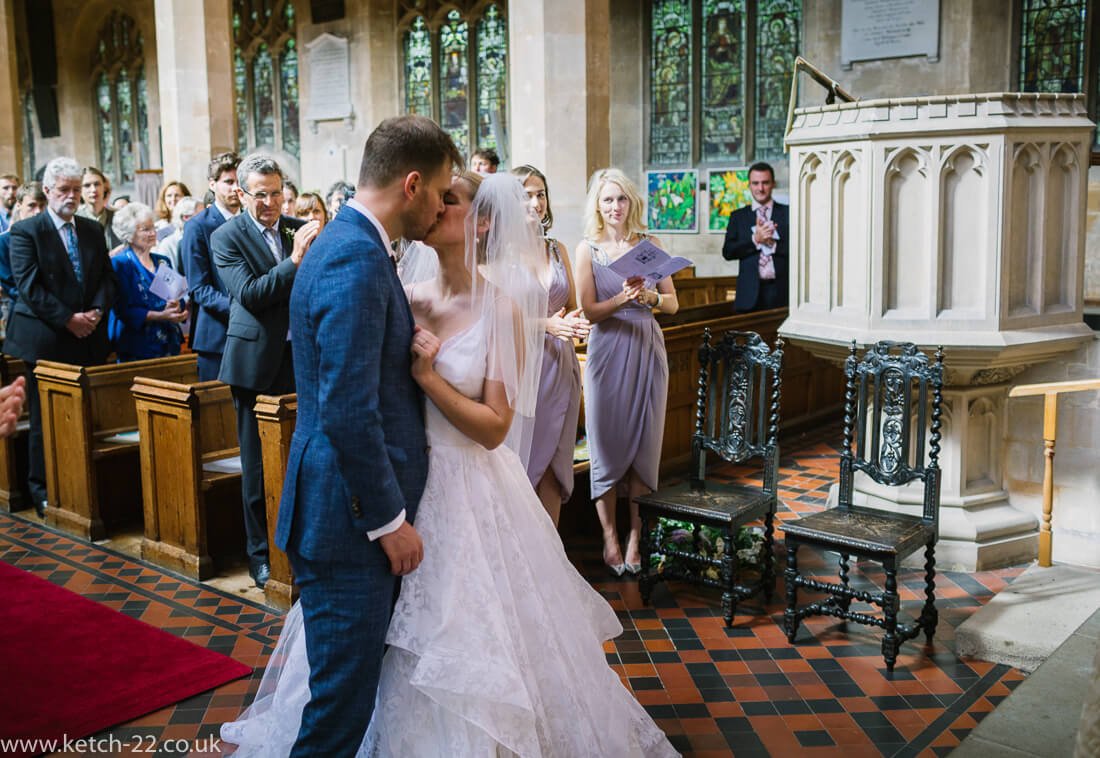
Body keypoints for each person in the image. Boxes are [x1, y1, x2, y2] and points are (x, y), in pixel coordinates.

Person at [222, 169, 679, 758]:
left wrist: (429, 379)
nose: (435, 208)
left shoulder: (505, 307)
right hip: (400, 490)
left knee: (471, 641)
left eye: (451, 201)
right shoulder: (402, 295)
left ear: (481, 220)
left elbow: (494, 428)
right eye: (437, 198)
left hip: (470, 486)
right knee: (373, 652)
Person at [224, 114, 457, 754]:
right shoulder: (353, 258)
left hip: (343, 516)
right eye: (440, 192)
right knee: (336, 715)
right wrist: (389, 522)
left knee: (346, 701)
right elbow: (349, 412)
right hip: (350, 526)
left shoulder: (350, 245)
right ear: (412, 184)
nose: (441, 208)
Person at [212, 153, 320, 591]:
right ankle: (260, 556)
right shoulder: (226, 237)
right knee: (256, 467)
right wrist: (294, 262)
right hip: (255, 365)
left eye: (277, 193)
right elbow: (251, 294)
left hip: (302, 360)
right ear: (241, 194)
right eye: (261, 195)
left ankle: (304, 546)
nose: (272, 203)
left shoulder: (296, 228)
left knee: (306, 456)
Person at [574, 168, 679, 576]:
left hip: (647, 348)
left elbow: (673, 304)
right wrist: (622, 296)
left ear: (631, 201)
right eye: (607, 200)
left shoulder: (649, 245)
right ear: (597, 207)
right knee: (607, 441)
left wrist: (651, 296)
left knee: (644, 445)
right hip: (607, 351)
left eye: (620, 199)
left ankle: (636, 536)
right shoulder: (588, 249)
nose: (615, 207)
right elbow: (588, 310)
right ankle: (609, 537)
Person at [5, 157, 116, 519]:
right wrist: (69, 319)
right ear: (48, 191)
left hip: (88, 337)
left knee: (85, 417)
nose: (72, 197)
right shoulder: (27, 231)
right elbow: (29, 287)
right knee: (45, 420)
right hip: (46, 339)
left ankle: (81, 489)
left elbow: (104, 276)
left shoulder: (90, 229)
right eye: (64, 190)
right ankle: (42, 490)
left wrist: (96, 313)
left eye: (76, 189)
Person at [512, 164, 588, 526]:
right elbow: (492, 318)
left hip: (561, 363)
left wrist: (575, 322)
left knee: (557, 465)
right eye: (527, 194)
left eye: (540, 194)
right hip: (523, 365)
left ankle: (553, 554)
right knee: (526, 464)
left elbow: (571, 303)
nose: (536, 201)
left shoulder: (557, 249)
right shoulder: (501, 252)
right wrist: (546, 324)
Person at [182, 152, 239, 382]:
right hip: (216, 335)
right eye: (229, 182)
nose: (236, 188)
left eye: (239, 182)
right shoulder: (198, 226)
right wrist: (239, 310)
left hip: (252, 336)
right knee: (218, 411)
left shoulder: (250, 222)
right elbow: (198, 288)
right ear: (213, 184)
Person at [107, 202, 186, 361]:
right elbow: (122, 310)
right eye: (146, 229)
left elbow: (179, 296)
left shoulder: (162, 261)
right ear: (128, 234)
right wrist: (160, 315)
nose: (152, 233)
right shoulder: (120, 264)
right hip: (137, 346)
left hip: (169, 343)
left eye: (153, 228)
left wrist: (177, 306)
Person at [721, 161, 789, 312]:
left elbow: (800, 250)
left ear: (773, 184)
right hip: (748, 294)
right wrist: (755, 240)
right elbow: (728, 252)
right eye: (755, 183)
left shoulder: (788, 213)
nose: (760, 188)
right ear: (749, 185)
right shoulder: (738, 216)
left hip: (781, 292)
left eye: (765, 183)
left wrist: (773, 244)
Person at [0, 182, 47, 316]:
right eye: (32, 205)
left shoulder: (53, 238)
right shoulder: (3, 242)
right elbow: (11, 286)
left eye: (42, 205)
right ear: (19, 205)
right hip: (23, 312)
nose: (38, 211)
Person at [76, 166, 122, 249]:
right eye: (87, 185)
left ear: (104, 187)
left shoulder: (118, 216)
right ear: (80, 190)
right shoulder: (73, 219)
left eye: (97, 184)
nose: (93, 189)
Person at [155, 196, 203, 273]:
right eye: (202, 216)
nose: (206, 219)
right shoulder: (167, 245)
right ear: (186, 217)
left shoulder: (206, 239)